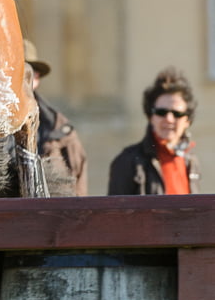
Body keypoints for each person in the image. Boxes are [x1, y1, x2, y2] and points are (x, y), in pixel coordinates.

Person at [108, 66, 200, 195]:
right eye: (161, 112)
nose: (169, 119)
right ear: (151, 117)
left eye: (177, 113)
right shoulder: (128, 160)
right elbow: (115, 213)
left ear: (187, 120)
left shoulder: (191, 161)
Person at [25, 39, 89, 196]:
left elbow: (78, 188)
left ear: (37, 77)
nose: (23, 78)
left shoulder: (60, 129)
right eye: (15, 70)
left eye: (29, 72)